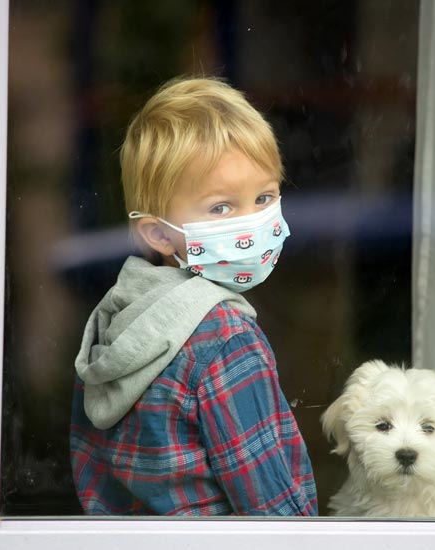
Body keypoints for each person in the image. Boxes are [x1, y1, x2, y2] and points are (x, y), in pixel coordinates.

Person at [70, 77, 318, 516]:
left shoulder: (115, 321)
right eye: (221, 207)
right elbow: (277, 517)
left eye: (264, 197)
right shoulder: (224, 338)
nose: (252, 222)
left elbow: (96, 482)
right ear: (159, 234)